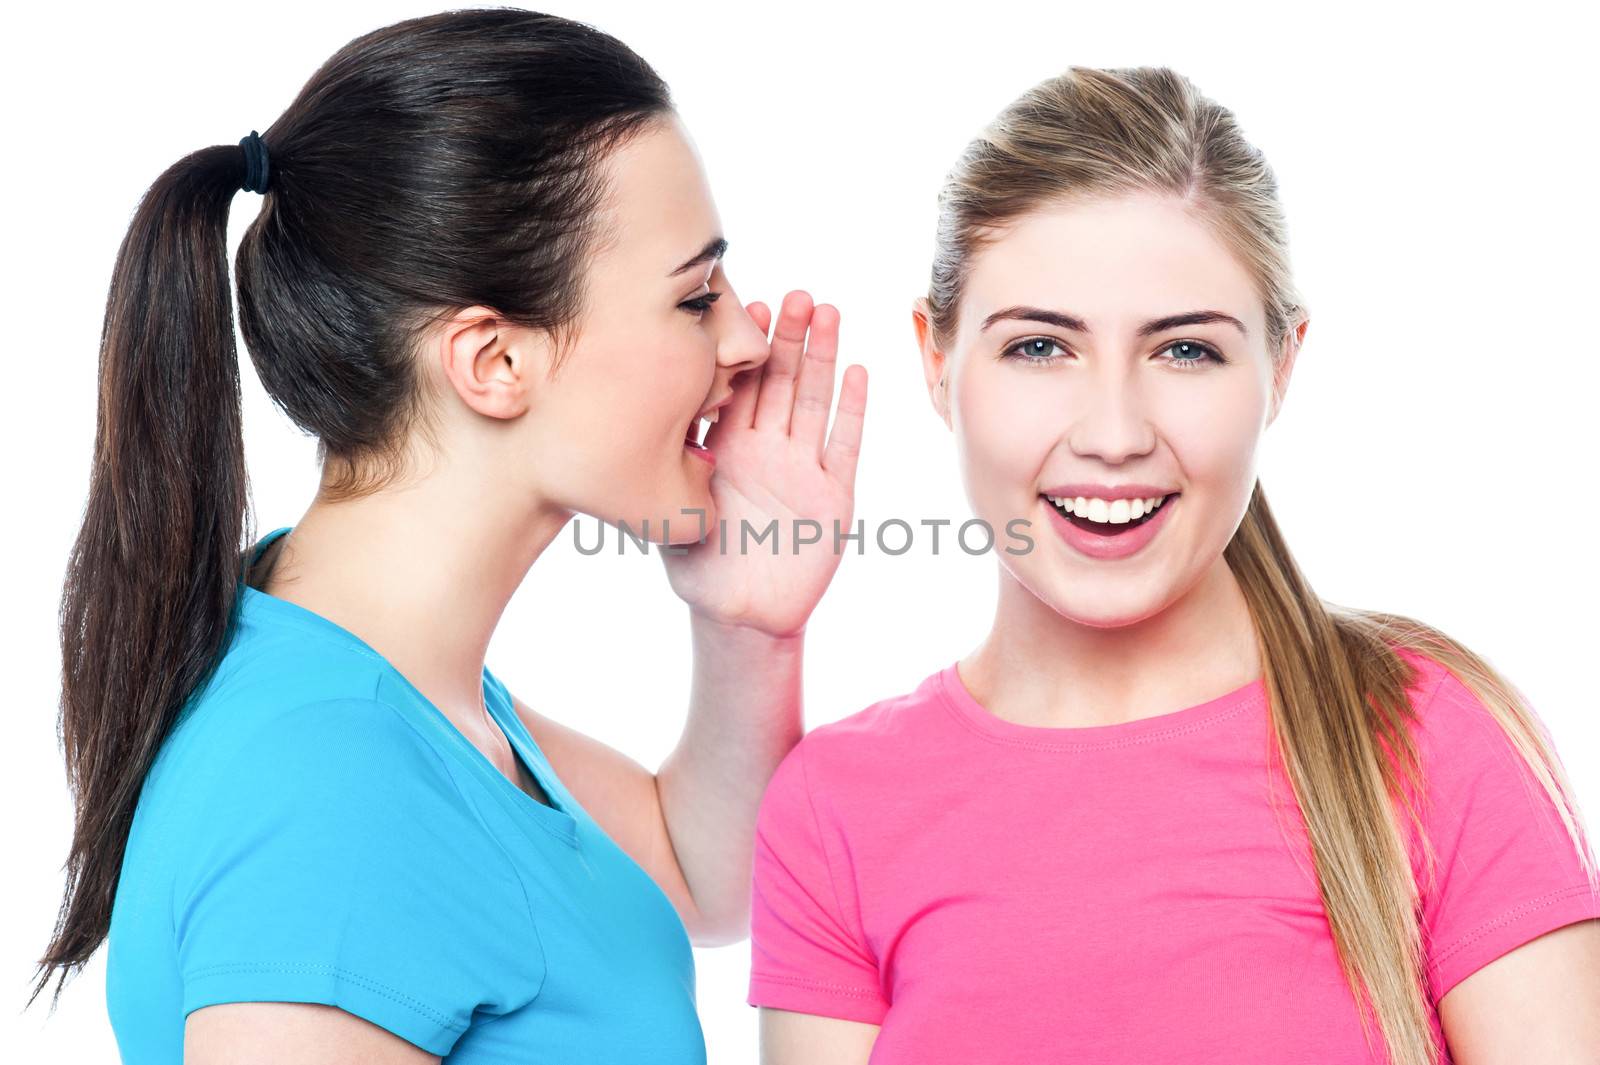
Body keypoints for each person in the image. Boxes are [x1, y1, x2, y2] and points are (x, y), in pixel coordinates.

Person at [34, 9, 866, 1064]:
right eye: (695, 297)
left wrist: (751, 626)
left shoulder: (381, 680)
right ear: (492, 363)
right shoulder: (330, 780)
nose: (744, 340)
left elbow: (697, 876)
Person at [747, 65, 1600, 1065]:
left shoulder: (1427, 742)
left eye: (1185, 351)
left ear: (1280, 368)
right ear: (937, 360)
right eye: (1038, 348)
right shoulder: (835, 806)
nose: (1113, 434)